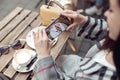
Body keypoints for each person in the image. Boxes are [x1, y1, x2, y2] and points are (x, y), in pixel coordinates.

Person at [33, 0, 120, 79]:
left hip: (77, 71)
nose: (105, 13)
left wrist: (43, 56)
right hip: (82, 63)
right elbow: (108, 29)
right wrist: (85, 21)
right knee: (61, 59)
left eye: (111, 10)